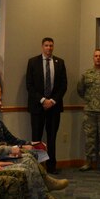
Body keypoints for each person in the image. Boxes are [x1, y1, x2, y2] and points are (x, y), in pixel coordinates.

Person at [25, 37, 67, 174]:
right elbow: (29, 86)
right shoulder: (33, 62)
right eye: (46, 45)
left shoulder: (59, 62)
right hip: (37, 107)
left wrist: (52, 101)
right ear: (42, 47)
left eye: (51, 46)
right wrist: (43, 100)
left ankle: (51, 167)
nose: (49, 48)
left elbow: (63, 85)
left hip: (54, 108)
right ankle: (37, 167)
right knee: (36, 138)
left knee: (51, 137)